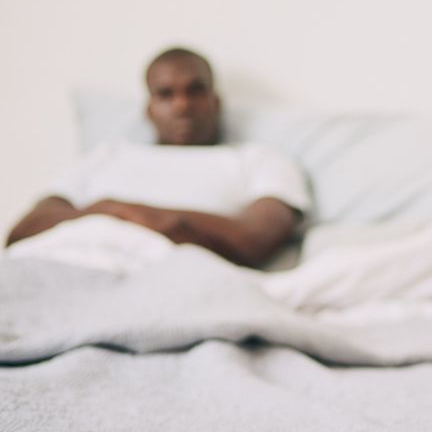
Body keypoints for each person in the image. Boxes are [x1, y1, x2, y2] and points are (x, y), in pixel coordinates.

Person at [5, 47, 310, 269]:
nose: (181, 106)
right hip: (70, 270)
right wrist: (119, 211)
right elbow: (22, 232)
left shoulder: (258, 160)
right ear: (148, 108)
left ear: (215, 101)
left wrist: (123, 211)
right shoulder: (107, 156)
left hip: (181, 276)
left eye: (195, 91)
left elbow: (254, 239)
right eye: (166, 94)